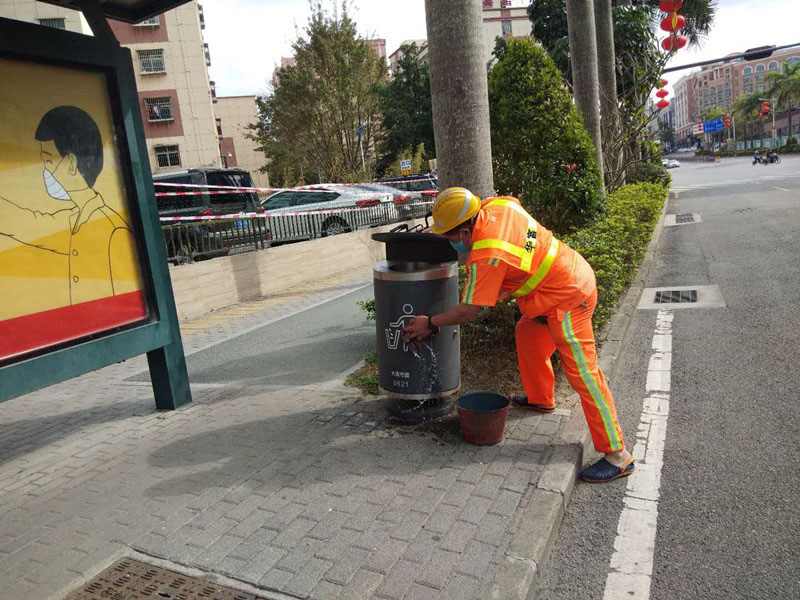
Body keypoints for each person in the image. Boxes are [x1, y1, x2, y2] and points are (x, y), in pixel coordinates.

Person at [403, 187, 634, 483]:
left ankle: (618, 455)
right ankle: (541, 399)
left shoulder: (488, 253)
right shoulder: (496, 206)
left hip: (568, 296)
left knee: (583, 374)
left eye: (449, 238)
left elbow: (469, 311)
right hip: (548, 292)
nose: (451, 246)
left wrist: (431, 322)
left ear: (463, 233)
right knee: (527, 334)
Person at [0, 106, 137, 305]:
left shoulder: (113, 231)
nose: (44, 170)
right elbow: (26, 222)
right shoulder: (72, 219)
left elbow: (125, 306)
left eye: (47, 160)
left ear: (71, 163)